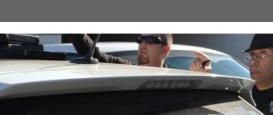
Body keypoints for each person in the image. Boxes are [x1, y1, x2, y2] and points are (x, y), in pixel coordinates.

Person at [71, 34, 212, 72]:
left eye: (150, 39)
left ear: (166, 49)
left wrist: (203, 76)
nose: (143, 44)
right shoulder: (126, 69)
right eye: (141, 39)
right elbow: (92, 54)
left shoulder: (175, 83)